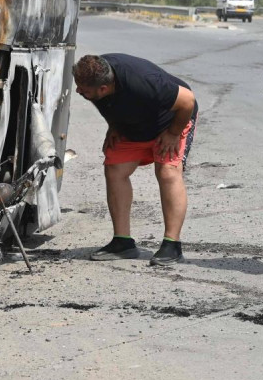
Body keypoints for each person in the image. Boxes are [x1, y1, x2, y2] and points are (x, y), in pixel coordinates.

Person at [73, 53, 197, 265]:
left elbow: (187, 101)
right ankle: (123, 243)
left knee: (167, 171)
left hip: (170, 122)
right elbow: (105, 102)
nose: (78, 91)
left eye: (83, 89)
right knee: (115, 169)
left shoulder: (144, 81)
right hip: (133, 125)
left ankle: (172, 245)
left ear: (103, 89)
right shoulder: (97, 72)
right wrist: (114, 124)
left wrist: (174, 133)